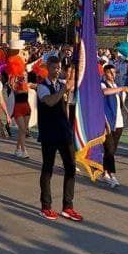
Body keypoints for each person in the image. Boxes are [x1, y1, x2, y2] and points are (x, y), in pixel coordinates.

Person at [36, 57, 82, 221]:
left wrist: (73, 74)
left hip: (64, 132)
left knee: (71, 166)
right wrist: (64, 90)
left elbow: (72, 88)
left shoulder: (62, 83)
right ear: (48, 68)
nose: (57, 70)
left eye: (59, 67)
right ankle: (45, 206)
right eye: (54, 67)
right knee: (48, 168)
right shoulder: (42, 86)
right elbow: (49, 101)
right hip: (49, 132)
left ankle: (67, 206)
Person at [99, 63, 128, 187]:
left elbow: (120, 103)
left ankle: (105, 172)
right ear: (105, 73)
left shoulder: (116, 85)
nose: (113, 75)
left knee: (112, 150)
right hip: (107, 122)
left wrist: (125, 91)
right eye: (110, 72)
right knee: (109, 149)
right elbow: (105, 92)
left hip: (119, 122)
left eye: (114, 72)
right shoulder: (103, 84)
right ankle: (112, 175)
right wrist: (121, 89)